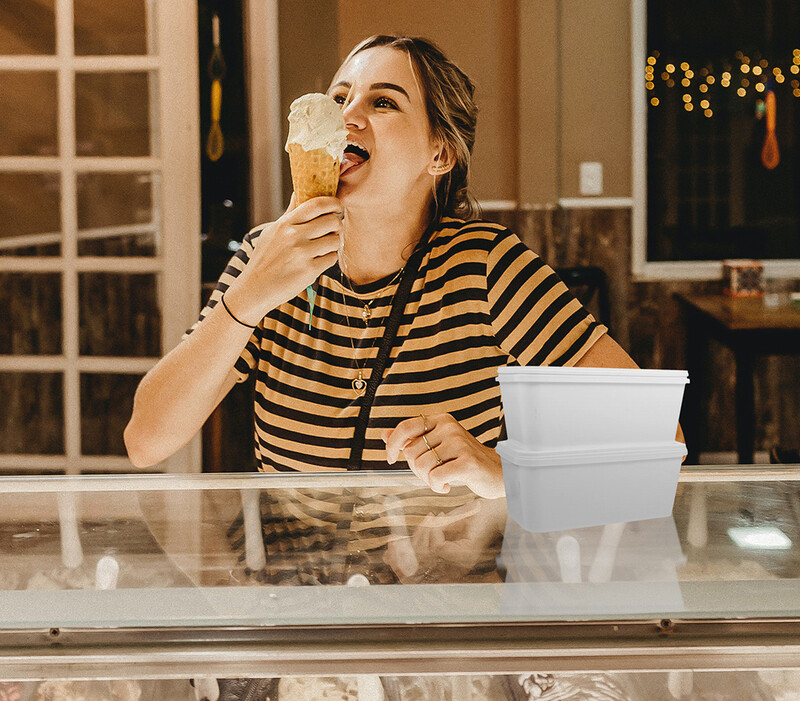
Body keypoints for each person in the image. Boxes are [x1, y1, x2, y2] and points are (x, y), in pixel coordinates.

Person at [125, 34, 666, 498]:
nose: (348, 114)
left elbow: (659, 442)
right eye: (340, 97)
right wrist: (246, 299)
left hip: (447, 601)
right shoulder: (263, 259)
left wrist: (506, 471)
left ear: (440, 154)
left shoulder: (485, 268)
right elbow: (146, 441)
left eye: (383, 102)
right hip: (301, 604)